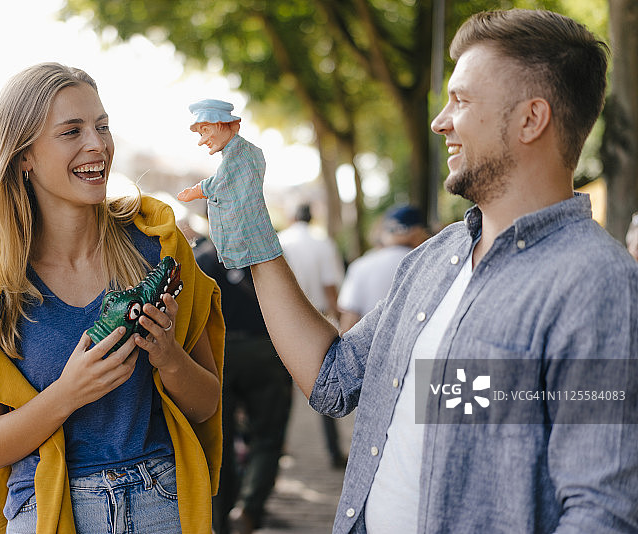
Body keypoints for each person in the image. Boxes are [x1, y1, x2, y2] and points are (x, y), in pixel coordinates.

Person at [204, 9, 638, 533]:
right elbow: (332, 378)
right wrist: (257, 244)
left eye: (462, 100)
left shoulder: (599, 284)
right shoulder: (438, 256)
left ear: (531, 118)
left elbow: (602, 511)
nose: (440, 120)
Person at [0, 63, 225, 534]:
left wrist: (168, 356)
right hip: (50, 511)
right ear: (23, 155)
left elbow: (207, 402)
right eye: (72, 131)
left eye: (102, 126)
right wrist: (67, 395)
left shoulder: (158, 248)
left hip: (161, 502)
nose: (98, 144)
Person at [190, 232, 291, 534]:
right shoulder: (266, 253)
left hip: (218, 353)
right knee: (268, 436)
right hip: (265, 349)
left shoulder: (201, 258)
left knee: (218, 438)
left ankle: (219, 518)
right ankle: (249, 508)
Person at [277, 203, 346, 468]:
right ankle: (333, 450)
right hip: (316, 318)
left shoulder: (281, 240)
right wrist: (337, 319)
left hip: (283, 320)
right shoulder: (322, 242)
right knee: (325, 382)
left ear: (294, 216)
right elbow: (330, 285)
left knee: (283, 388)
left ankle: (281, 446)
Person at [176, 99, 282, 269]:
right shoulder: (240, 152)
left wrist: (196, 190)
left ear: (222, 124)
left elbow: (220, 180)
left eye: (205, 131)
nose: (202, 141)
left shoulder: (239, 154)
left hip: (253, 242)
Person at [337, 205, 429, 333]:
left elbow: (348, 323)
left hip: (370, 348)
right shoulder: (430, 265)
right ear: (419, 232)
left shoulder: (361, 266)